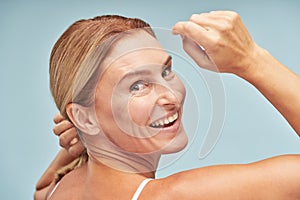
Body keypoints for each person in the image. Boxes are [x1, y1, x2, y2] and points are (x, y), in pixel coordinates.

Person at [34, 11, 300, 200]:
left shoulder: (57, 190)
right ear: (82, 117)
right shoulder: (173, 195)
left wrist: (87, 133)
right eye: (137, 86)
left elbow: (42, 187)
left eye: (166, 71)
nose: (171, 97)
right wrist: (251, 60)